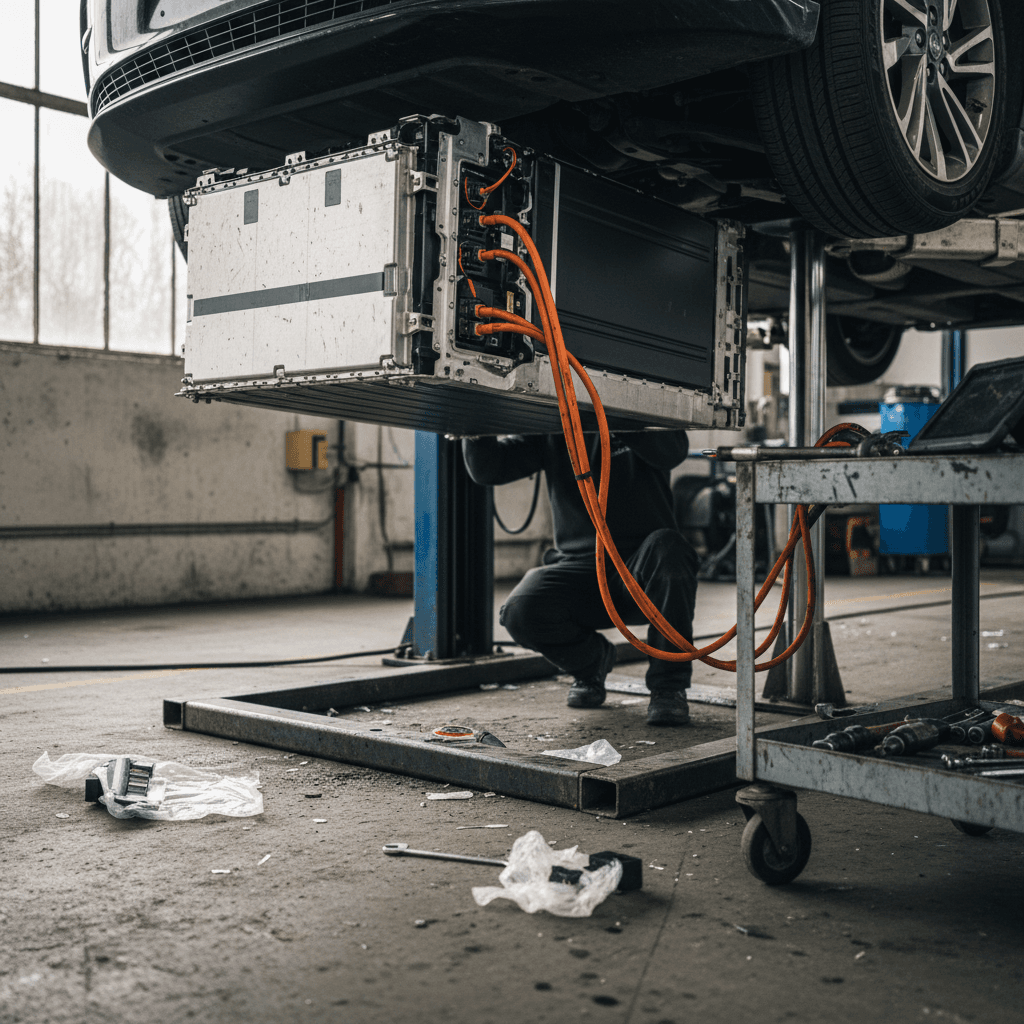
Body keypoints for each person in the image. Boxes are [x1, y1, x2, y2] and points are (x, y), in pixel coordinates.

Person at [462, 430, 697, 726]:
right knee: (520, 611)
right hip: (581, 568)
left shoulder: (644, 415)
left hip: (644, 568)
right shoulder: (553, 428)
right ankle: (591, 663)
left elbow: (673, 450)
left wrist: (619, 416)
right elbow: (489, 468)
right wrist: (474, 428)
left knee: (669, 549)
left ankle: (669, 687)